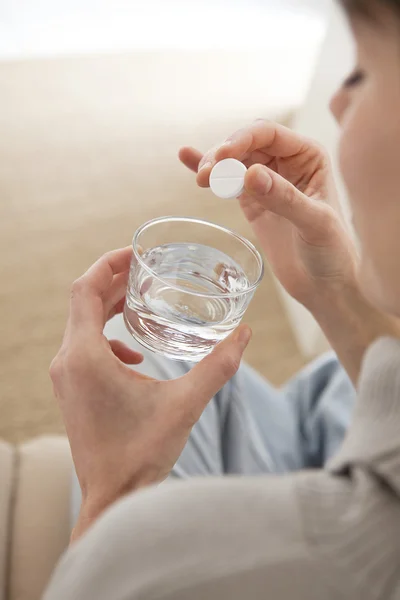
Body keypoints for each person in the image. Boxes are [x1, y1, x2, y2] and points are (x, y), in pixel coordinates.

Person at [44, 0, 400, 598]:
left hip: (301, 504)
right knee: (157, 336)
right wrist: (335, 293)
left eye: (363, 71)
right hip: (338, 416)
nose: (335, 103)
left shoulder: (152, 563)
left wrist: (117, 490)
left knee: (138, 339)